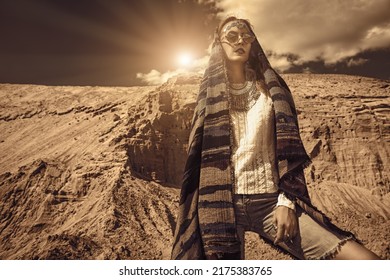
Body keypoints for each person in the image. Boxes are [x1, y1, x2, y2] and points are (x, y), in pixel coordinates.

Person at [171, 16, 380, 260]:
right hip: (218, 205)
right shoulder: (207, 96)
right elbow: (197, 162)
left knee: (363, 261)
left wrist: (287, 201)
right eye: (232, 35)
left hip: (270, 202)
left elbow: (289, 153)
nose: (240, 40)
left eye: (246, 36)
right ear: (219, 43)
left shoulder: (272, 89)